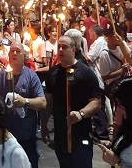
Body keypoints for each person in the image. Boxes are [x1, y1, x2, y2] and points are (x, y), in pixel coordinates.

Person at [41, 36, 101, 168]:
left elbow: (96, 102)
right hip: (61, 133)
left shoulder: (86, 73)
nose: (61, 50)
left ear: (74, 49)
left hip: (81, 132)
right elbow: (48, 101)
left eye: (65, 47)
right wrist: (44, 123)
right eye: (59, 47)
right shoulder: (53, 73)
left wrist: (81, 113)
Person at [0, 42, 46, 168]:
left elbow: (43, 102)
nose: (14, 53)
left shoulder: (31, 75)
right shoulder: (2, 74)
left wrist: (25, 102)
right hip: (7, 136)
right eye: (12, 51)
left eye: (17, 51)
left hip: (26, 135)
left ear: (24, 56)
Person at [98, 77, 132, 168]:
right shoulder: (129, 125)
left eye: (120, 104)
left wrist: (117, 163)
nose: (117, 110)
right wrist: (112, 144)